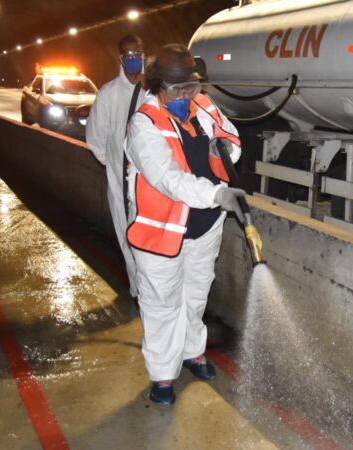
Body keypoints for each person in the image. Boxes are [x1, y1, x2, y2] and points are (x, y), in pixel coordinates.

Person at [125, 44, 245, 405]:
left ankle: (194, 352)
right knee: (162, 303)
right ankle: (163, 376)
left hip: (205, 227)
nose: (188, 95)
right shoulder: (144, 124)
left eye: (193, 86)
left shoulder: (205, 106)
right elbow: (168, 179)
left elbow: (232, 139)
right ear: (159, 86)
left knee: (195, 295)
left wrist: (221, 150)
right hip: (160, 232)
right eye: (179, 89)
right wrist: (216, 196)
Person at [86, 35, 146, 301]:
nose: (134, 59)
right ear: (120, 59)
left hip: (150, 182)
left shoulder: (153, 90)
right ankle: (138, 290)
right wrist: (115, 168)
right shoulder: (109, 94)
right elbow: (96, 140)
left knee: (147, 239)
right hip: (121, 181)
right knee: (127, 236)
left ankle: (150, 292)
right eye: (129, 55)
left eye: (138, 54)